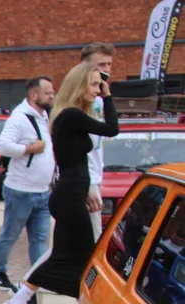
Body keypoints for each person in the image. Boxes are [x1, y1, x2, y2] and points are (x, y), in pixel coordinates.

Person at [0, 62, 118, 304]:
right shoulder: (70, 115)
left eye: (101, 85)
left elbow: (77, 161)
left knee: (64, 254)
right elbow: (112, 129)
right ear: (81, 84)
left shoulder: (69, 115)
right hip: (68, 195)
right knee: (82, 256)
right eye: (96, 84)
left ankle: (18, 301)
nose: (99, 90)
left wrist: (85, 190)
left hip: (71, 194)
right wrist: (108, 96)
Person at [0, 76, 56, 304]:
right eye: (48, 92)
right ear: (34, 95)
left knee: (39, 240)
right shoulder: (19, 118)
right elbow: (3, 146)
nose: (52, 95)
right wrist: (29, 148)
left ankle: (36, 281)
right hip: (21, 191)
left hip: (42, 191)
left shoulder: (44, 116)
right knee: (10, 234)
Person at [81, 42, 116, 239]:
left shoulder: (99, 100)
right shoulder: (77, 100)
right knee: (91, 241)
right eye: (101, 64)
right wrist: (88, 185)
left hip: (95, 176)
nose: (106, 70)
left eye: (109, 64)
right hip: (85, 180)